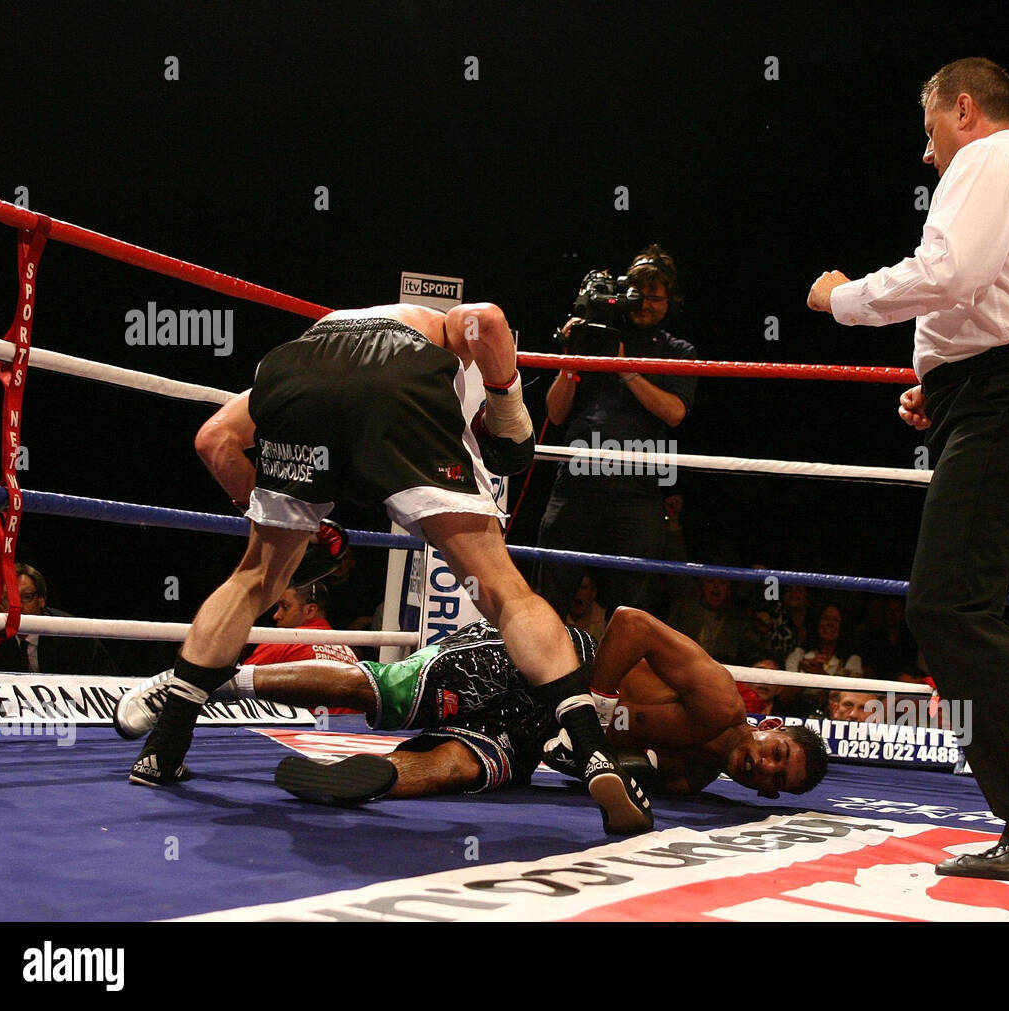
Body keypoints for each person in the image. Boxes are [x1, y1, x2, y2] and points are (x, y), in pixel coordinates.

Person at [128, 301, 653, 835]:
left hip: (291, 375)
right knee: (504, 592)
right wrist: (510, 416)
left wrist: (282, 522)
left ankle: (163, 748)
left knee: (254, 579)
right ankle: (594, 754)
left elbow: (213, 440)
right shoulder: (439, 335)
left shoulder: (327, 343)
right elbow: (489, 318)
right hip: (397, 380)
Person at [806, 57, 1009, 885]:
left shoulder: (993, 158)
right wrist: (947, 386)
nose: (927, 155)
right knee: (967, 609)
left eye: (928, 133)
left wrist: (842, 297)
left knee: (945, 609)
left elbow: (948, 272)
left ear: (963, 109)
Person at [115, 608, 830, 804]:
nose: (762, 769)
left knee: (465, 764)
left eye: (774, 781)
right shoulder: (716, 695)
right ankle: (204, 682)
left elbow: (608, 766)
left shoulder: (697, 779)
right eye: (776, 755)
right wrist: (589, 705)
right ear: (769, 727)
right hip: (541, 657)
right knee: (388, 689)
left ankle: (379, 780)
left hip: (541, 725)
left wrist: (589, 756)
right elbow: (631, 621)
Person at [535, 245, 697, 618]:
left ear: (670, 302)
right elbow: (555, 414)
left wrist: (624, 368)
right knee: (550, 594)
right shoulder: (594, 336)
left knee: (632, 607)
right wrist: (569, 360)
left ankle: (616, 679)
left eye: (656, 298)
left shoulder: (677, 350)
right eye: (640, 296)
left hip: (638, 491)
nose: (646, 305)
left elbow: (674, 413)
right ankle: (544, 676)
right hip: (577, 480)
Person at [0, 563, 119, 676]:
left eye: (26, 597)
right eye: (7, 599)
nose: (17, 606)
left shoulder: (71, 634)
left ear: (41, 600)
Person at [239, 581, 358, 667]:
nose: (276, 616)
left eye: (285, 607)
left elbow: (237, 684)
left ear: (310, 610)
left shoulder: (283, 642)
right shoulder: (348, 653)